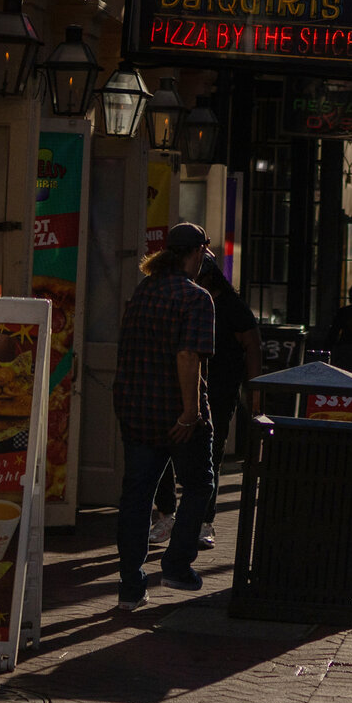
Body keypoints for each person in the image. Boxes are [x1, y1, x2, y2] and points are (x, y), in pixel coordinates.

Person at [112, 221, 216, 611]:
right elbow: (189, 357)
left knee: (137, 498)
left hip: (136, 410)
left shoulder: (144, 291)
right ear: (195, 254)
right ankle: (175, 564)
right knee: (199, 485)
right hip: (176, 416)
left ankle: (130, 586)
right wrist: (191, 412)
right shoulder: (196, 298)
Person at [153, 248, 262, 551]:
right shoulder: (182, 300)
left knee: (209, 458)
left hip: (218, 392)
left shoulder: (230, 306)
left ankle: (204, 522)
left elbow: (252, 344)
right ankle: (166, 514)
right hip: (179, 387)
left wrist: (254, 394)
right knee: (164, 451)